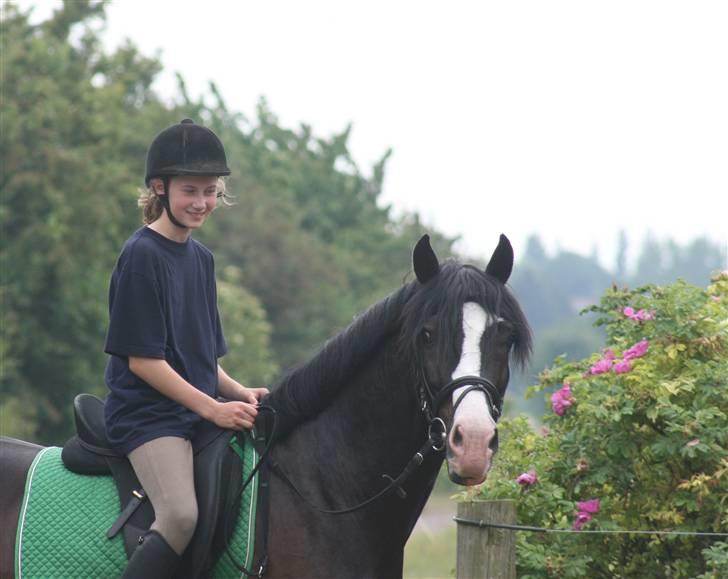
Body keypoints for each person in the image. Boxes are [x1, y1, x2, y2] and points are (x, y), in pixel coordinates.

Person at [103, 118, 268, 578]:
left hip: (190, 410)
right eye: (190, 191)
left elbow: (203, 362)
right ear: (160, 188)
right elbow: (144, 363)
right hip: (146, 416)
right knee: (180, 516)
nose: (201, 203)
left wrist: (240, 393)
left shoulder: (202, 260)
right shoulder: (141, 256)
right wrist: (214, 411)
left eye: (210, 191)